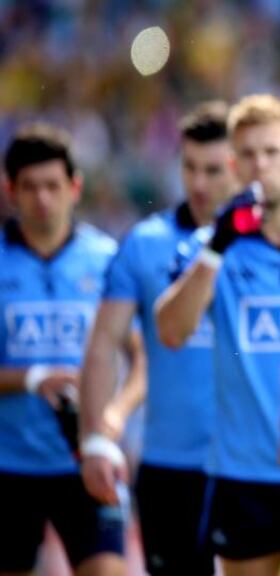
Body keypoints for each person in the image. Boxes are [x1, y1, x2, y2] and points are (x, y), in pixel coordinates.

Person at [155, 94, 280, 576]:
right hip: (244, 473)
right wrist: (218, 245)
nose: (261, 165)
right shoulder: (210, 248)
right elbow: (171, 331)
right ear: (235, 166)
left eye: (273, 151)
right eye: (249, 155)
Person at [78, 101, 237, 576]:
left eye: (215, 169)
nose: (200, 183)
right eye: (190, 167)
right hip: (172, 465)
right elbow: (105, 343)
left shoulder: (273, 244)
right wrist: (98, 438)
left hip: (255, 462)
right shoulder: (145, 243)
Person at [0, 123, 132, 575]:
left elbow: (142, 357)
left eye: (53, 186)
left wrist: (111, 420)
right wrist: (34, 380)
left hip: (84, 459)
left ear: (75, 188)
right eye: (31, 187)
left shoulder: (106, 258)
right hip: (9, 463)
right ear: (10, 190)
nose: (43, 199)